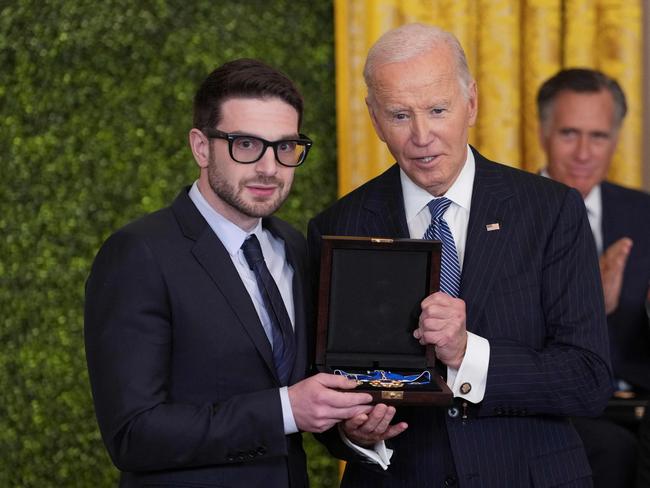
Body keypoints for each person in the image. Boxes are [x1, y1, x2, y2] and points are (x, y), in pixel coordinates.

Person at [308, 24, 613, 487]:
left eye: (437, 109)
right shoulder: (337, 226)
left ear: (471, 102)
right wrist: (353, 432)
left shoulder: (551, 210)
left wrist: (467, 353)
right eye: (399, 115)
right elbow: (323, 385)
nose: (422, 135)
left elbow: (588, 379)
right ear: (373, 118)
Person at [84, 59, 375, 488]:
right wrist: (285, 410)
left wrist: (351, 428)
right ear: (201, 147)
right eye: (245, 145)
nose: (269, 168)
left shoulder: (295, 247)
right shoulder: (138, 254)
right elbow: (133, 434)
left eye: (285, 147)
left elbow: (304, 398)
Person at [537, 68, 650, 488]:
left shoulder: (643, 214)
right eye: (570, 133)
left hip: (638, 405)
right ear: (543, 133)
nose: (584, 152)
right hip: (553, 409)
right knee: (613, 452)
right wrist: (587, 305)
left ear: (616, 140)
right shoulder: (507, 212)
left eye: (599, 136)